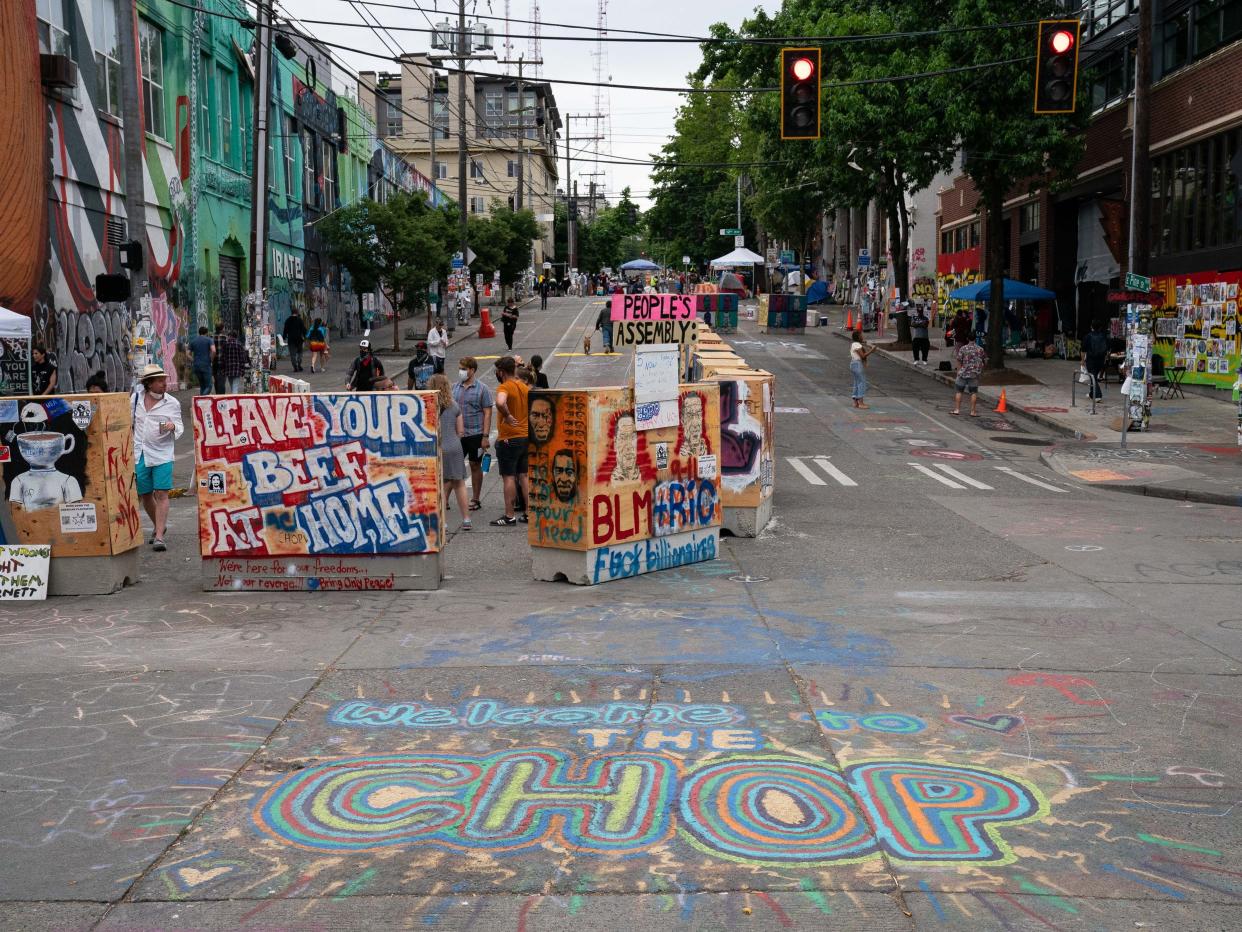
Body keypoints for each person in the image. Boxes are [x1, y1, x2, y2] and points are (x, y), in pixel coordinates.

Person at [130, 364, 183, 552]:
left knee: (161, 493)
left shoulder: (172, 403)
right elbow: (129, 424)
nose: (164, 383)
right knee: (145, 494)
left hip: (162, 454)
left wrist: (172, 426)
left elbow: (180, 426)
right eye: (160, 380)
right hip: (140, 453)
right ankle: (158, 525)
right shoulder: (135, 399)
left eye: (164, 380)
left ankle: (159, 536)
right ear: (149, 383)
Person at [490, 355, 529, 526]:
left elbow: (500, 402)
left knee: (508, 477)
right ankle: (528, 512)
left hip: (509, 438)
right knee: (524, 476)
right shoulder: (523, 386)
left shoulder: (504, 387)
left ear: (501, 372)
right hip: (525, 436)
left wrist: (506, 414)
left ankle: (509, 514)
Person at [430, 373, 471, 529]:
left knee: (440, 485)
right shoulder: (454, 405)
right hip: (454, 446)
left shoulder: (429, 406)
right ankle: (466, 519)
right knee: (459, 483)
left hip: (438, 447)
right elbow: (460, 431)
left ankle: (443, 522)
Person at [453, 356, 493, 512]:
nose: (461, 371)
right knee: (453, 467)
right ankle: (448, 498)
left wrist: (485, 436)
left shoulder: (482, 389)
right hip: (458, 435)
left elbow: (488, 414)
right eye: (460, 368)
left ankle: (475, 499)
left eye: (464, 369)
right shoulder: (455, 387)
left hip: (476, 435)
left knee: (475, 465)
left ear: (472, 370)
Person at [952, 338, 987, 417]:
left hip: (963, 373)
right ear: (975, 338)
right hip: (974, 374)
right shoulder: (980, 349)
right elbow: (984, 360)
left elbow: (958, 360)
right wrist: (980, 370)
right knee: (973, 393)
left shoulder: (963, 348)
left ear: (968, 339)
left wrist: (958, 372)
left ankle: (957, 409)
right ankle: (973, 411)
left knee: (959, 391)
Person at [1081, 318, 1109, 402]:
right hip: (1100, 360)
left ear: (1091, 327)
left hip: (1091, 360)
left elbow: (1083, 350)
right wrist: (1105, 359)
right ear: (1100, 327)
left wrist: (1082, 360)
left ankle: (1098, 395)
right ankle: (1091, 393)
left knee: (1093, 377)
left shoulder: (1088, 336)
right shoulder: (1104, 336)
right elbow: (1107, 349)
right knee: (1094, 376)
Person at [849, 331, 876, 409]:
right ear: (858, 336)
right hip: (857, 364)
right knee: (862, 383)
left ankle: (855, 402)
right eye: (861, 335)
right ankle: (861, 402)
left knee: (857, 382)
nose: (862, 336)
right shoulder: (857, 344)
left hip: (854, 364)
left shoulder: (855, 344)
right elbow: (862, 356)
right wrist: (872, 350)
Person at [189, 326, 215, 394]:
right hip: (206, 365)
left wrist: (193, 360)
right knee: (209, 385)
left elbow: (187, 353)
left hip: (196, 365)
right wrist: (211, 359)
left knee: (202, 386)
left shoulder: (193, 341)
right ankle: (202, 399)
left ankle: (201, 403)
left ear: (199, 332)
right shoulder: (209, 340)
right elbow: (214, 351)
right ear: (206, 333)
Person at [212, 323, 227, 393]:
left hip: (214, 361)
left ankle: (217, 393)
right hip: (222, 361)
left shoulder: (211, 337)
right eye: (224, 328)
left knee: (216, 379)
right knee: (222, 380)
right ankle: (222, 395)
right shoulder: (225, 337)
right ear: (222, 329)